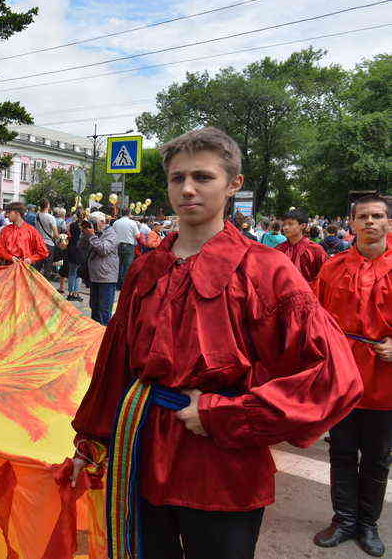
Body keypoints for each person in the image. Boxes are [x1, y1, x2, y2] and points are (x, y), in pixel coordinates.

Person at [70, 127, 361, 559]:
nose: (187, 188)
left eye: (203, 177)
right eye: (177, 178)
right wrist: (93, 438)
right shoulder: (147, 269)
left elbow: (334, 375)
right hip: (141, 451)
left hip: (222, 463)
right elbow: (115, 363)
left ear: (233, 185)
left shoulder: (267, 270)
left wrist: (225, 415)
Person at [312, 193, 392, 557]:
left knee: (377, 457)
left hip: (385, 383)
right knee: (342, 452)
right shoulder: (332, 267)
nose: (371, 222)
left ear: (388, 222)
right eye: (364, 217)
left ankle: (368, 524)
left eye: (378, 216)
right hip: (343, 379)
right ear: (352, 223)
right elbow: (315, 318)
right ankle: (343, 519)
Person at [79, 211, 118, 325]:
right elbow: (81, 247)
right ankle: (95, 335)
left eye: (94, 222)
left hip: (106, 278)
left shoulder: (111, 234)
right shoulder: (94, 234)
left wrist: (92, 236)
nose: (92, 225)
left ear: (102, 222)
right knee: (94, 309)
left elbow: (103, 249)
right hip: (94, 277)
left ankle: (104, 336)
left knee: (104, 311)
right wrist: (84, 235)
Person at [277, 209, 328, 283]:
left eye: (290, 224)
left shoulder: (316, 250)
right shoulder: (279, 250)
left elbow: (325, 277)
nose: (285, 227)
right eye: (284, 224)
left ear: (303, 226)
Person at [112, 207, 139, 288]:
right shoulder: (132, 223)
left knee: (118, 265)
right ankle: (125, 285)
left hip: (117, 245)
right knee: (127, 266)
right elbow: (138, 235)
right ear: (129, 213)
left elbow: (112, 234)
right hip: (129, 246)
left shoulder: (116, 222)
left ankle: (117, 284)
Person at [63, 208, 86, 301]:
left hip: (72, 249)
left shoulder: (72, 225)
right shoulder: (85, 226)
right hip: (81, 249)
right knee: (79, 273)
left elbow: (67, 233)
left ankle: (70, 293)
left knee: (72, 272)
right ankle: (76, 293)